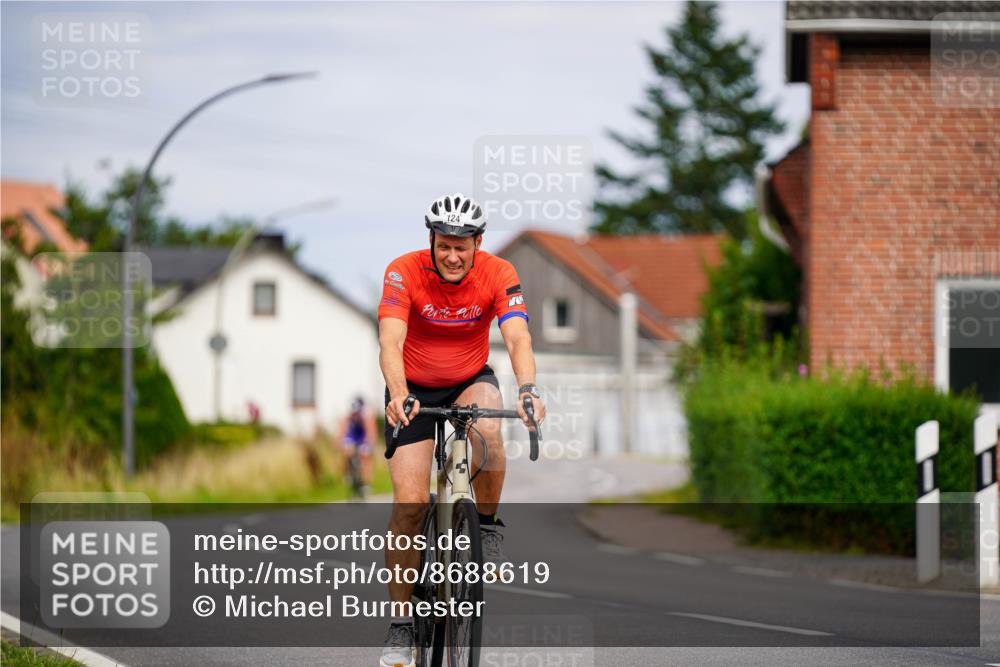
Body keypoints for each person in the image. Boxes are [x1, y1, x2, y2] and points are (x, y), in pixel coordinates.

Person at [377, 193, 546, 667]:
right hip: (411, 388)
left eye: (463, 246)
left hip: (470, 379)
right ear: (431, 239)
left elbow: (517, 335)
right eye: (445, 244)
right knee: (409, 505)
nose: (453, 255)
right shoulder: (403, 271)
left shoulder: (499, 273)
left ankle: (485, 526)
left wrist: (528, 387)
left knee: (489, 430)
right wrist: (396, 392)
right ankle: (402, 624)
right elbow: (390, 339)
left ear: (478, 243)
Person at [339, 396, 376, 492]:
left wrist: (369, 443)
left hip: (363, 436)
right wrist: (339, 441)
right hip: (352, 436)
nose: (355, 414)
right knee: (346, 451)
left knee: (365, 455)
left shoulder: (366, 414)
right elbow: (343, 430)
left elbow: (371, 431)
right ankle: (347, 474)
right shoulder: (348, 414)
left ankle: (366, 483)